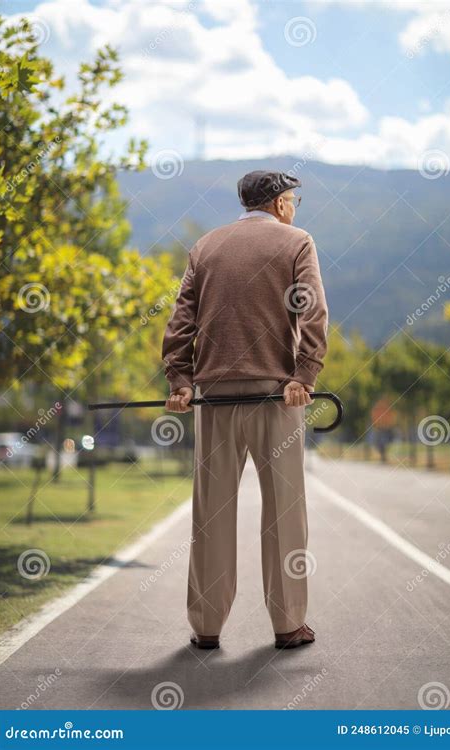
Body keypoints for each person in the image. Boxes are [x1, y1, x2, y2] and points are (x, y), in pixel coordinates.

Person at [161, 170, 328, 649]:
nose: (294, 207)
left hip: (213, 399)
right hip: (277, 396)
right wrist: (305, 375)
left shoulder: (206, 247)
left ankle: (206, 628)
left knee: (210, 516)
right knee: (285, 513)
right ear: (278, 203)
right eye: (293, 199)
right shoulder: (298, 241)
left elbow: (181, 322)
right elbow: (312, 310)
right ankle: (289, 624)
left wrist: (180, 380)